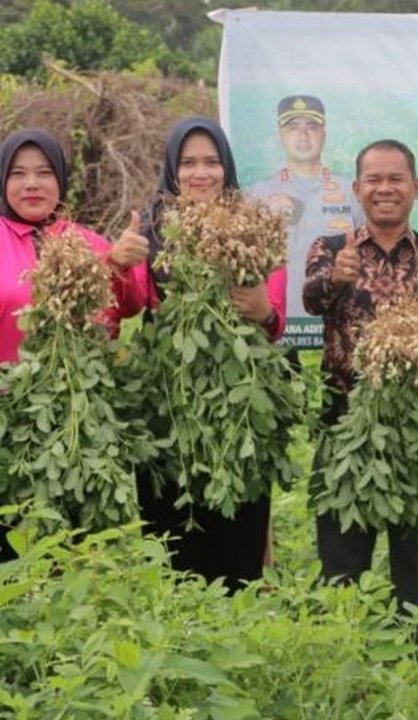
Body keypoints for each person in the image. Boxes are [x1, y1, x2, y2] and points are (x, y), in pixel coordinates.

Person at [124, 117, 288, 592]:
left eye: (212, 162)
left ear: (227, 167)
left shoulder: (252, 227)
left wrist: (262, 311)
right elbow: (130, 304)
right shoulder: (152, 229)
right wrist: (120, 263)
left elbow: (275, 317)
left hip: (239, 409)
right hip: (168, 409)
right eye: (188, 162)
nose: (201, 173)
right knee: (173, 539)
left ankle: (233, 639)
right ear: (173, 170)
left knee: (237, 540)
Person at [302, 138, 418, 616]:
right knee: (341, 566)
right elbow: (312, 299)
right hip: (345, 431)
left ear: (416, 187)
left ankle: (416, 666)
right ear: (356, 188)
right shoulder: (331, 249)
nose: (385, 188)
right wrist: (336, 278)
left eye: (396, 179)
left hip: (415, 432)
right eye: (374, 179)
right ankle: (341, 659)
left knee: (416, 572)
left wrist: (398, 338)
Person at [0, 128, 148, 562]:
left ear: (61, 181)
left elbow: (130, 306)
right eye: (18, 173)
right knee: (13, 541)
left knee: (78, 546)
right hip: (10, 417)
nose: (32, 184)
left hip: (81, 418)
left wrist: (118, 263)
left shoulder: (85, 241)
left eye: (44, 173)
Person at [249, 94, 363, 348]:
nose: (303, 136)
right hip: (274, 332)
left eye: (311, 127)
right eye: (293, 128)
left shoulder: (350, 192)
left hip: (337, 335)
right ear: (280, 135)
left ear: (324, 133)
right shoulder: (258, 194)